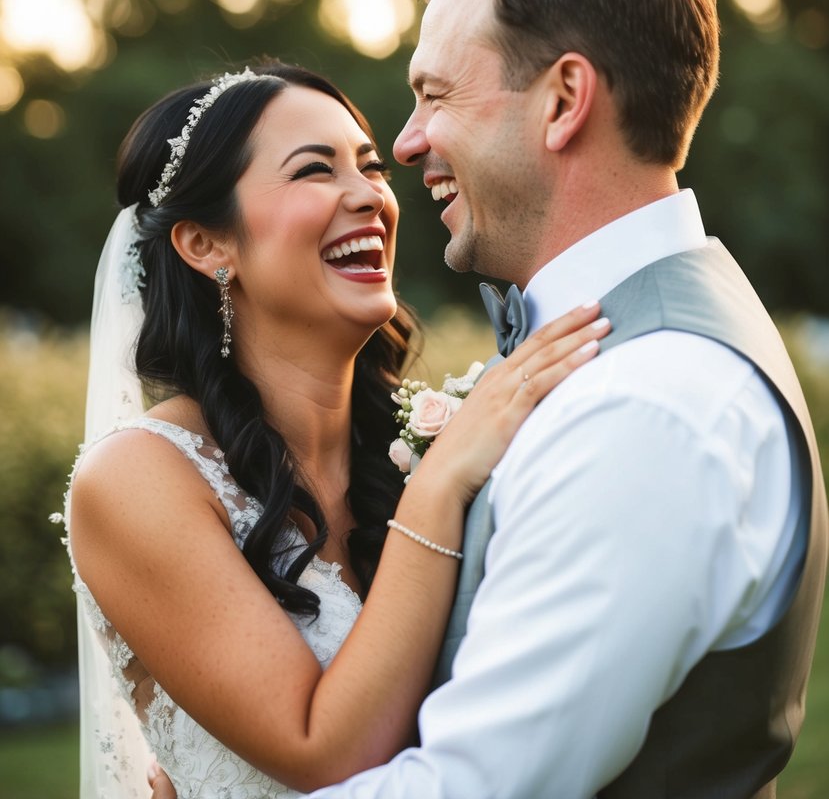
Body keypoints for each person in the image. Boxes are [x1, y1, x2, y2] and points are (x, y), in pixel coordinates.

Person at [294, 0, 824, 797]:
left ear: (564, 99)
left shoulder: (643, 407)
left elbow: (479, 786)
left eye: (436, 95)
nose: (406, 141)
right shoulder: (636, 354)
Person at [65, 59, 609, 798]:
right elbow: (324, 754)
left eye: (372, 166)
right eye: (313, 172)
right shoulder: (137, 480)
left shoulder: (426, 441)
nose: (370, 197)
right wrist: (441, 483)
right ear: (205, 245)